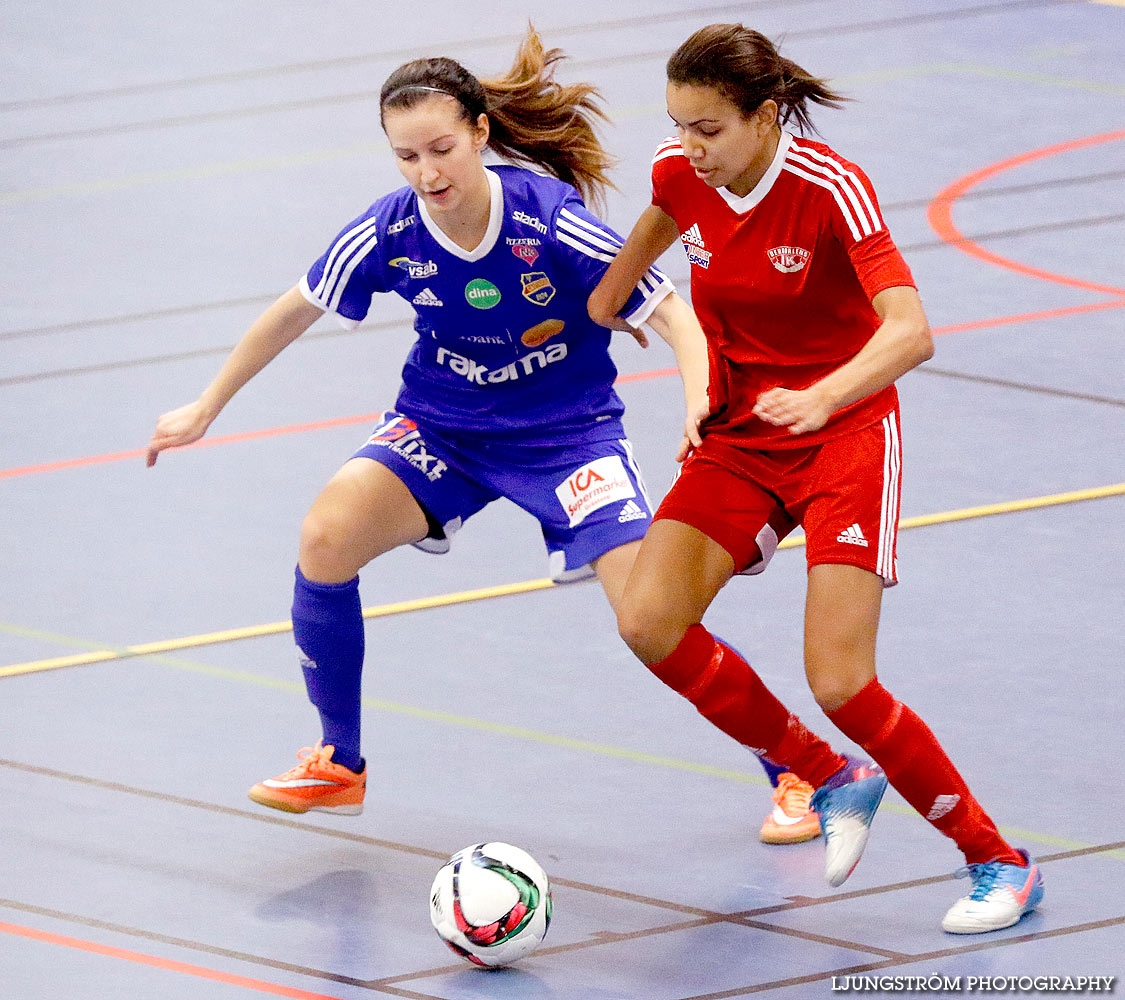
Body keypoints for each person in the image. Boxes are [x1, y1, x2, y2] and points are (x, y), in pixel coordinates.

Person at [144, 30, 814, 834]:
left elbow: (669, 310)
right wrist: (207, 404)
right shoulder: (391, 229)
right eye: (405, 157)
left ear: (480, 135)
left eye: (441, 149)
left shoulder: (548, 219)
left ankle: (800, 769)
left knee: (651, 620)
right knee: (325, 535)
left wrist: (699, 401)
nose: (426, 174)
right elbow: (295, 308)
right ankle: (338, 763)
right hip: (442, 429)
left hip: (568, 438)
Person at [588, 24, 1043, 935]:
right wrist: (612, 303)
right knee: (646, 620)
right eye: (678, 125)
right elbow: (645, 244)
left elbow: (910, 332)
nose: (689, 147)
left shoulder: (830, 188)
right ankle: (829, 777)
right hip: (742, 436)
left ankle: (998, 861)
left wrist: (821, 396)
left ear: (763, 117)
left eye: (709, 128)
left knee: (840, 680)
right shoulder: (681, 176)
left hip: (844, 434)